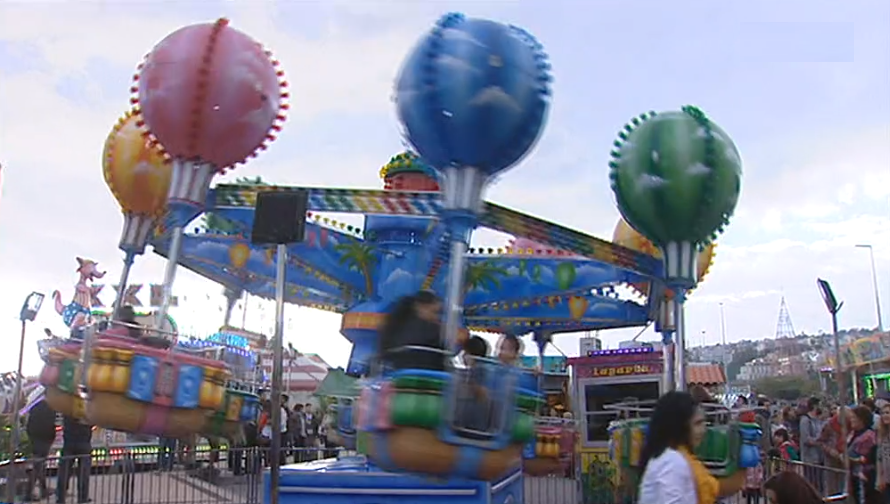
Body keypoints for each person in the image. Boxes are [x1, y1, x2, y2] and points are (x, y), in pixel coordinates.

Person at [637, 391, 746, 504]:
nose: (703, 430)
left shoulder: (672, 456)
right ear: (679, 426)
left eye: (704, 423)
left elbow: (717, 488)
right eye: (697, 423)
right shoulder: (672, 461)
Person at [377, 291, 445, 371]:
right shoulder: (428, 330)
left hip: (398, 372)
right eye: (435, 312)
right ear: (421, 307)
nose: (437, 317)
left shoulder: (395, 325)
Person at [55, 415, 92, 504]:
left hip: (69, 443)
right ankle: (82, 497)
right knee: (83, 473)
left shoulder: (68, 412)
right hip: (84, 443)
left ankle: (61, 497)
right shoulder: (85, 413)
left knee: (64, 472)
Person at [848, 405, 880, 504]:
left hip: (864, 476)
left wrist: (849, 458)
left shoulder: (869, 436)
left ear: (861, 419)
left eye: (853, 417)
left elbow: (867, 458)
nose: (851, 420)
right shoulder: (852, 433)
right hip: (854, 474)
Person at [26, 400, 57, 502]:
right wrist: (51, 438)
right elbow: (51, 425)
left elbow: (29, 426)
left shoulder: (35, 407)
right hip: (44, 440)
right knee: (38, 466)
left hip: (35, 439)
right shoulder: (50, 408)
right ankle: (29, 493)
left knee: (39, 465)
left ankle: (43, 489)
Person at [798, 397, 823, 491]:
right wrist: (819, 441)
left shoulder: (817, 420)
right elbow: (806, 439)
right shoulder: (805, 420)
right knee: (811, 484)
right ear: (815, 406)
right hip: (810, 458)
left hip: (819, 457)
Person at [875, 402, 890, 502]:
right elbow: (879, 458)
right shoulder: (881, 434)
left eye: (888, 413)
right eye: (883, 413)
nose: (885, 415)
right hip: (886, 479)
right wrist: (879, 478)